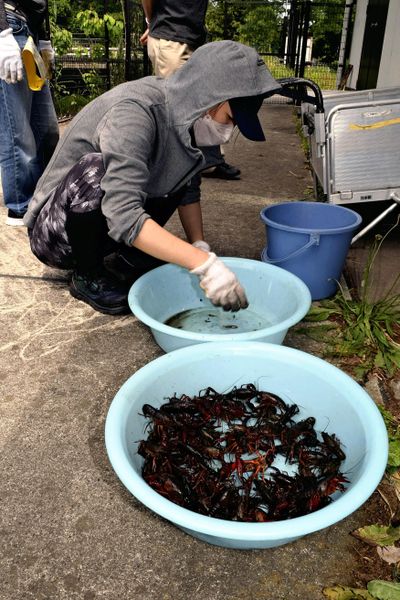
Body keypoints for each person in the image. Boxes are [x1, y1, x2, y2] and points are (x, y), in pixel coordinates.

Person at [24, 41, 282, 316]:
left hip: (102, 223)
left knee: (177, 169)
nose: (228, 132)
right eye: (230, 118)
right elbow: (122, 212)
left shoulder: (188, 119)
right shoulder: (136, 111)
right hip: (55, 234)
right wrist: (201, 263)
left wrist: (199, 245)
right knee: (97, 169)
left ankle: (127, 256)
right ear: (210, 97)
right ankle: (87, 275)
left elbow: (189, 186)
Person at [140, 0, 241, 181]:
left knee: (201, 101)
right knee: (178, 110)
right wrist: (153, 23)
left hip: (189, 36)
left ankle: (209, 161)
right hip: (171, 37)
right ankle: (177, 169)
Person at [0, 0, 59, 226]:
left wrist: (44, 40)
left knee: (48, 130)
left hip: (30, 33)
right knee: (18, 130)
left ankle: (44, 195)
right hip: (9, 26)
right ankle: (21, 205)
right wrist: (2, 34)